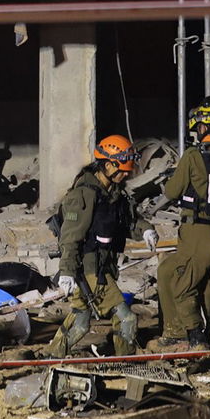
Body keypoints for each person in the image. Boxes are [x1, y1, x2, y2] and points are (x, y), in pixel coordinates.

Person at [40, 133, 156, 359]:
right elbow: (70, 237)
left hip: (104, 265)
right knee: (126, 318)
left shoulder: (114, 193)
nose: (125, 174)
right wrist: (67, 271)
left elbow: (127, 221)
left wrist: (146, 229)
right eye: (122, 169)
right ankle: (125, 362)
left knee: (81, 321)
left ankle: (52, 355)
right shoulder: (84, 194)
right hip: (89, 268)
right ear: (107, 165)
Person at [155, 98, 210, 349]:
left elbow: (172, 191)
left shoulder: (193, 155)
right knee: (176, 273)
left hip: (198, 233)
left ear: (203, 126)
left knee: (179, 282)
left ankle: (192, 336)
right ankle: (206, 336)